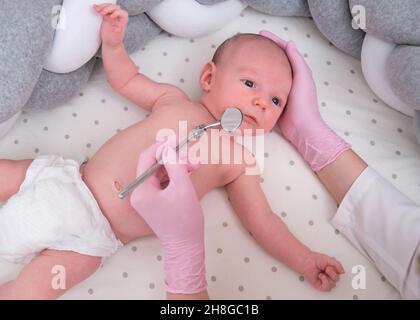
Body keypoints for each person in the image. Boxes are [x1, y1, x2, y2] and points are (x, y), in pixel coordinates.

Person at [0, 3, 344, 299]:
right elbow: (125, 80)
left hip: (93, 235)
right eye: (250, 84)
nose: (260, 101)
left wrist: (304, 258)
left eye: (276, 101)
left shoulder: (239, 162)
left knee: (30, 291)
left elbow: (262, 219)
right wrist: (113, 43)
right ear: (208, 78)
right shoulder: (172, 100)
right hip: (68, 177)